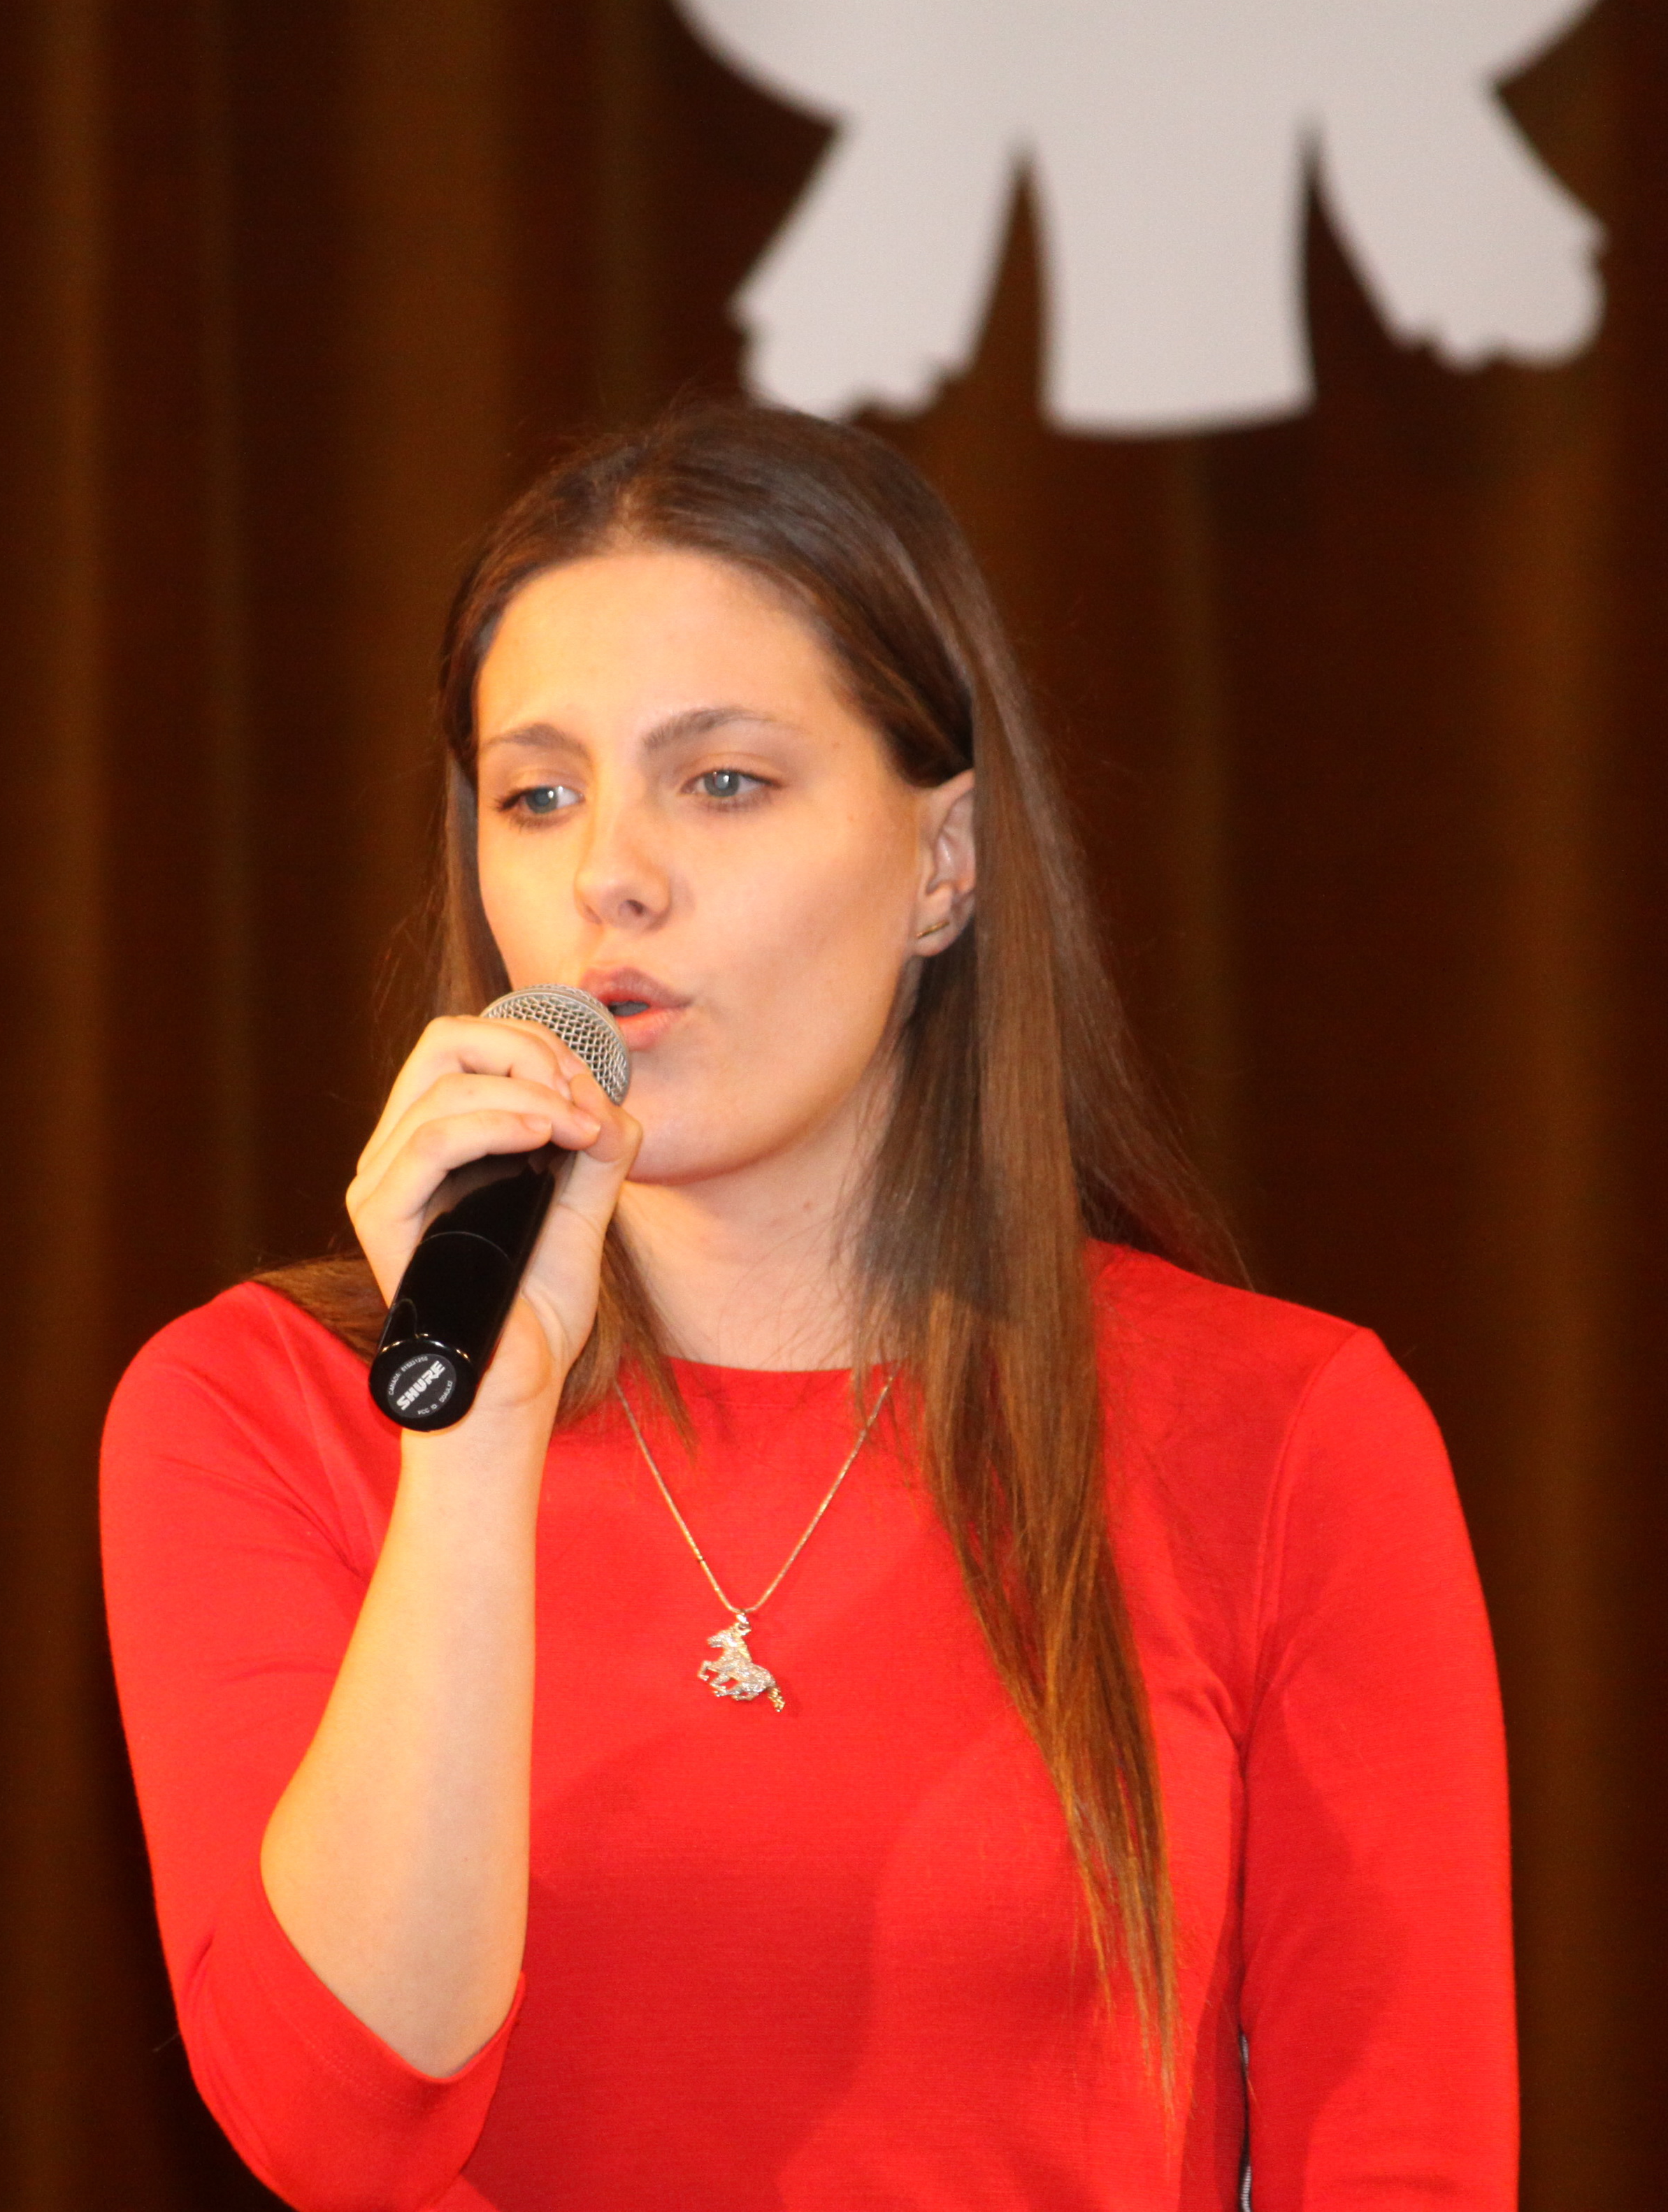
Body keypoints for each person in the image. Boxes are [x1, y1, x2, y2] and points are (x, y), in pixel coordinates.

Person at [101, 406, 1514, 2209]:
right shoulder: (261, 1409)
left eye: (723, 782)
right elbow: (341, 2129)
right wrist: (471, 1439)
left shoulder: (1281, 1431)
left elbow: (1405, 2158)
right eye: (539, 795)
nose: (611, 873)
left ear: (945, 866)